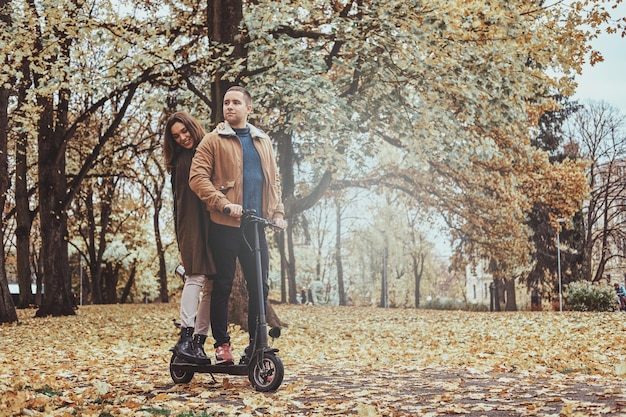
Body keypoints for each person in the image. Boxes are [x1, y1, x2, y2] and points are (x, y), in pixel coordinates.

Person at [189, 86, 286, 364]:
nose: (229, 107)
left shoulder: (262, 140)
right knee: (223, 284)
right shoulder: (212, 140)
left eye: (235, 103)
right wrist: (222, 203)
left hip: (255, 226)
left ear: (248, 108)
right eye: (226, 102)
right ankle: (222, 345)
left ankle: (257, 343)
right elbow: (197, 178)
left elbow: (273, 181)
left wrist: (277, 213)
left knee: (260, 286)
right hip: (225, 224)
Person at [164, 111, 216, 364]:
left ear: (192, 127)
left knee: (212, 285)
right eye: (176, 136)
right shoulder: (184, 161)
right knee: (195, 276)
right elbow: (181, 203)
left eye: (184, 131)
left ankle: (198, 342)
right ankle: (185, 337)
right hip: (193, 223)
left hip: (214, 223)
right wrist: (184, 239)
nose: (183, 138)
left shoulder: (208, 148)